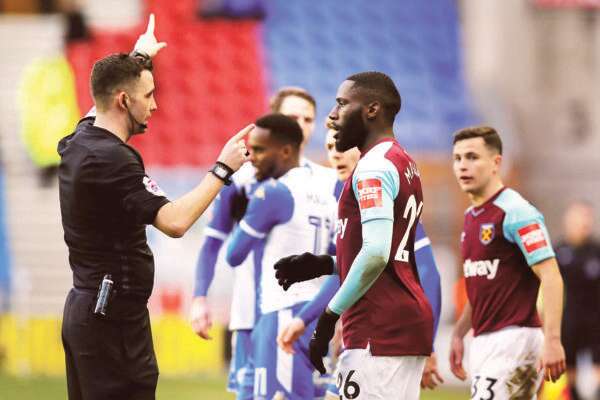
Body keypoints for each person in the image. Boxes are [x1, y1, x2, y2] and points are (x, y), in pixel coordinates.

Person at [58, 15, 251, 400]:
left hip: (90, 311)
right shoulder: (113, 160)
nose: (156, 104)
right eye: (148, 95)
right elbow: (175, 221)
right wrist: (223, 168)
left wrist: (139, 56)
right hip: (111, 319)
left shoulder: (80, 139)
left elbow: (101, 104)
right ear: (123, 100)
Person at [273, 71, 434, 400]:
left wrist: (328, 316)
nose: (333, 115)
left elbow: (376, 254)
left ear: (371, 109)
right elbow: (389, 252)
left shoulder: (373, 167)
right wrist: (324, 264)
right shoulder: (403, 162)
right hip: (400, 325)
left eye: (342, 104)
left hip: (378, 328)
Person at [189, 87, 338, 395]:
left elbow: (339, 256)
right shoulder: (241, 179)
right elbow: (213, 242)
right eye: (292, 116)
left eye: (308, 119)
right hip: (250, 317)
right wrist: (200, 297)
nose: (301, 124)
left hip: (303, 317)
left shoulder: (329, 181)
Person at [225, 113, 338, 399]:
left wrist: (246, 218)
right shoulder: (326, 194)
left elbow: (234, 255)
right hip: (314, 316)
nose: (252, 158)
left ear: (286, 151)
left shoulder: (272, 192)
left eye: (260, 150)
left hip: (282, 316)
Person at [448, 126, 566, 399]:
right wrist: (459, 333)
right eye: (457, 158)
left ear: (496, 163)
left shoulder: (516, 212)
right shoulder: (472, 216)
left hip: (514, 341)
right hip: (485, 340)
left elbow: (551, 275)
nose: (463, 165)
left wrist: (553, 340)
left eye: (472, 157)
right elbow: (482, 285)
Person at [555, 201, 600, 400]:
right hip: (568, 321)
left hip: (596, 321)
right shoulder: (558, 251)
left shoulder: (596, 251)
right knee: (569, 368)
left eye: (587, 217)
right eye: (579, 217)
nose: (584, 222)